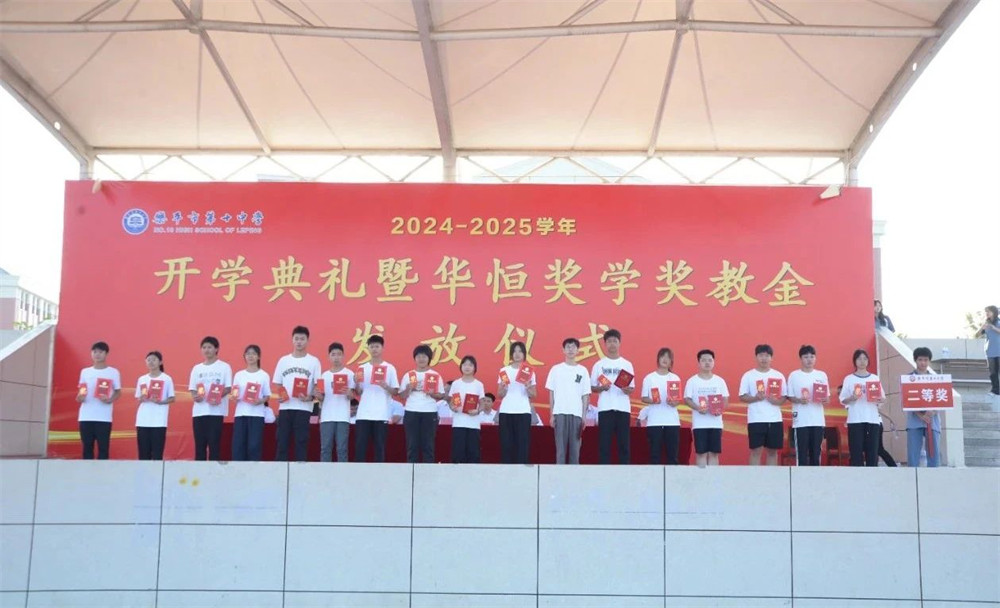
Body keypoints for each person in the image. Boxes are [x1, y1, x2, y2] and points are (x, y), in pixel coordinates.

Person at [272, 326, 322, 462]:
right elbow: (278, 383)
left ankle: (300, 469)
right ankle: (280, 470)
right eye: (296, 339)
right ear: (292, 340)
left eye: (302, 339)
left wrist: (310, 397)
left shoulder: (314, 361)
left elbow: (318, 385)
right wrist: (282, 395)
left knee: (301, 441)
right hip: (285, 408)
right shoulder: (283, 360)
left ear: (307, 341)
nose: (299, 342)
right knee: (282, 441)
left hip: (303, 408)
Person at [590, 329, 635, 464]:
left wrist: (626, 390)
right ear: (605, 344)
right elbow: (592, 387)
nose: (612, 344)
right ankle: (604, 472)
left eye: (615, 341)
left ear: (619, 343)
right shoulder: (599, 365)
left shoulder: (626, 364)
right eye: (609, 341)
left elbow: (632, 388)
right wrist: (601, 388)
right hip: (605, 408)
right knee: (604, 444)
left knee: (624, 444)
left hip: (623, 409)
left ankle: (625, 471)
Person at [738, 344, 787, 466]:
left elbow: (784, 397)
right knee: (756, 451)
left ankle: (771, 477)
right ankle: (754, 477)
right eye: (761, 355)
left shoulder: (778, 375)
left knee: (772, 452)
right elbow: (742, 397)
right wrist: (755, 398)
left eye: (767, 355)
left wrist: (775, 401)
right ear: (756, 357)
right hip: (756, 419)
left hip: (775, 420)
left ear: (771, 358)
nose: (764, 358)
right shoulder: (748, 375)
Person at [545, 338, 591, 464]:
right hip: (559, 413)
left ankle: (573, 475)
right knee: (560, 450)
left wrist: (584, 416)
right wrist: (551, 415)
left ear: (578, 350)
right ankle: (559, 474)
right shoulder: (556, 369)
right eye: (568, 347)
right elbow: (551, 393)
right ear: (563, 350)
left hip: (576, 414)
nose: (570, 349)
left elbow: (585, 395)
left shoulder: (583, 371)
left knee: (575, 451)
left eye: (573, 347)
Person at [354, 335, 399, 462]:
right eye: (372, 346)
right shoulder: (362, 368)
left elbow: (395, 391)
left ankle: (380, 472)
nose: (374, 349)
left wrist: (386, 386)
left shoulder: (389, 368)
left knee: (380, 447)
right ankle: (358, 471)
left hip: (381, 414)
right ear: (368, 348)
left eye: (377, 346)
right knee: (360, 447)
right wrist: (356, 383)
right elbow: (358, 392)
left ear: (382, 348)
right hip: (363, 414)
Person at [189, 336, 233, 461]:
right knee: (200, 446)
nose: (206, 350)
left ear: (216, 349)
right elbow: (192, 388)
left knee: (214, 445)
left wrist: (217, 396)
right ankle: (200, 471)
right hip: (199, 412)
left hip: (216, 412)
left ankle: (213, 471)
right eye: (204, 347)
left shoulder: (224, 367)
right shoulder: (197, 368)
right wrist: (195, 396)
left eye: (209, 347)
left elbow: (228, 388)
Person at [839, 349, 885, 467]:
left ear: (868, 361)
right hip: (855, 420)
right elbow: (842, 399)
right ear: (855, 361)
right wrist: (852, 398)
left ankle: (872, 476)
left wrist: (878, 399)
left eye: (865, 359)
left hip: (872, 420)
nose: (862, 361)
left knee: (872, 454)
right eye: (859, 359)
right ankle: (857, 477)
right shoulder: (849, 379)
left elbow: (883, 398)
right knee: (856, 453)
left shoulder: (874, 378)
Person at [399, 344, 445, 463]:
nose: (421, 359)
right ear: (414, 358)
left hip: (429, 412)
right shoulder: (409, 375)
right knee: (412, 444)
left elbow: (441, 395)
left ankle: (428, 471)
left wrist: (432, 393)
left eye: (424, 356)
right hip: (411, 411)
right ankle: (411, 470)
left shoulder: (435, 375)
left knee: (428, 445)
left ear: (429, 358)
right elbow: (402, 396)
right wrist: (409, 388)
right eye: (418, 356)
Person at [785, 345, 829, 466]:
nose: (809, 359)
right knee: (802, 454)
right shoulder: (794, 375)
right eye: (806, 357)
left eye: (812, 357)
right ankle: (800, 477)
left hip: (817, 421)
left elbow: (827, 398)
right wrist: (799, 400)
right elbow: (789, 396)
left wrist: (823, 399)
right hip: (801, 421)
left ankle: (814, 477)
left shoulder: (821, 375)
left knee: (816, 454)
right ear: (800, 359)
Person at [77, 341, 121, 460]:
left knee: (103, 448)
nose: (97, 354)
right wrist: (80, 397)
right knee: (87, 448)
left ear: (106, 354)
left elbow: (118, 391)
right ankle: (87, 470)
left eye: (100, 352)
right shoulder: (85, 372)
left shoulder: (113, 372)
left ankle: (103, 471)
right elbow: (82, 389)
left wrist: (110, 400)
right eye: (94, 352)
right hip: (86, 416)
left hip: (104, 417)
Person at [683, 349, 728, 468]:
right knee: (701, 453)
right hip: (699, 424)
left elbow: (725, 399)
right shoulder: (692, 381)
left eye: (710, 360)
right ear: (698, 363)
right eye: (703, 360)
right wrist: (697, 408)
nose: (707, 363)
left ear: (714, 362)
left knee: (714, 453)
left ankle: (713, 478)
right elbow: (687, 399)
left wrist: (720, 409)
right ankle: (701, 478)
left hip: (716, 423)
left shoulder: (719, 381)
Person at [639, 347, 683, 465]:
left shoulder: (675, 378)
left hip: (672, 421)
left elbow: (678, 400)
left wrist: (674, 402)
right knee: (654, 455)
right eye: (663, 356)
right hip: (654, 421)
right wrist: (653, 401)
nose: (665, 359)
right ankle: (655, 477)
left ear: (671, 361)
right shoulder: (649, 378)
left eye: (668, 357)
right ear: (658, 359)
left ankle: (673, 476)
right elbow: (643, 398)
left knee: (672, 456)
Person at [496, 341, 538, 464]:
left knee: (522, 445)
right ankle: (506, 470)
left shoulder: (528, 371)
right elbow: (500, 394)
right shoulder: (504, 370)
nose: (517, 354)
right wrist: (504, 388)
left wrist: (528, 387)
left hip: (523, 411)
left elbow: (533, 395)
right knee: (506, 444)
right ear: (511, 354)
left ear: (524, 354)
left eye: (520, 351)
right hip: (506, 411)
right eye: (514, 351)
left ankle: (522, 471)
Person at [231, 345, 271, 461]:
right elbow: (234, 392)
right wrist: (234, 397)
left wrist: (260, 401)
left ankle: (254, 470)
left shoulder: (263, 375)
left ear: (258, 357)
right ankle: (238, 470)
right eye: (248, 354)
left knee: (254, 446)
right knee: (238, 446)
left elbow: (267, 396)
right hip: (241, 414)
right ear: (244, 356)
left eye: (253, 353)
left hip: (257, 415)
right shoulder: (239, 375)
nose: (250, 356)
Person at [316, 342, 356, 463]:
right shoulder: (324, 375)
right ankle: (324, 473)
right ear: (329, 357)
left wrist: (348, 393)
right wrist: (317, 395)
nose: (336, 357)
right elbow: (321, 398)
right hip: (327, 417)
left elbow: (352, 396)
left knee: (342, 449)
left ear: (343, 356)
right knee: (325, 449)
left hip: (343, 417)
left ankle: (342, 473)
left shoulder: (349, 374)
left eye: (339, 354)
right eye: (333, 354)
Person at [134, 351, 175, 460]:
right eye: (148, 360)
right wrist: (142, 398)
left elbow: (172, 398)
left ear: (160, 362)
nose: (151, 362)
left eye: (154, 360)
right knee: (143, 454)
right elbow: (138, 397)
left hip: (159, 421)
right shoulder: (142, 379)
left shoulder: (166, 379)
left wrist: (160, 402)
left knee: (157, 454)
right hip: (143, 421)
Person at [906, 347, 941, 467]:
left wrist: (933, 411)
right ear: (915, 360)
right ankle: (912, 476)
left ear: (929, 361)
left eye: (926, 360)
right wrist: (920, 415)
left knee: (934, 453)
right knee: (913, 454)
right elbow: (906, 400)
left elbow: (942, 398)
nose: (923, 363)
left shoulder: (936, 378)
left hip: (932, 420)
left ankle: (934, 475)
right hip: (914, 420)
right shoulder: (908, 378)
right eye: (920, 359)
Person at [449, 356, 486, 463]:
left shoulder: (479, 384)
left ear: (475, 368)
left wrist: (477, 411)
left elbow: (482, 404)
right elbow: (451, 402)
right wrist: (453, 407)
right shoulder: (456, 383)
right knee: (458, 453)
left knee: (473, 453)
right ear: (461, 367)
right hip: (459, 423)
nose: (467, 367)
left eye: (470, 365)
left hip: (473, 424)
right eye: (464, 364)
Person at [976, 305, 1000, 395]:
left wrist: (993, 327)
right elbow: (977, 335)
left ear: (994, 312)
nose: (987, 313)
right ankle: (995, 390)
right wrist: (982, 328)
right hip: (990, 351)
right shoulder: (986, 324)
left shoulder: (998, 322)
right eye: (986, 312)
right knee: (993, 372)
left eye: (988, 311)